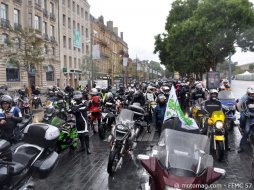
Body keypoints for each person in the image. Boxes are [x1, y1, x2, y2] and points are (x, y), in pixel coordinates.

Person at [237, 86, 254, 153]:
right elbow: (246, 112)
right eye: (251, 94)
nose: (253, 95)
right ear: (249, 94)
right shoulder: (245, 101)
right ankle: (241, 147)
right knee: (247, 131)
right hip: (249, 118)